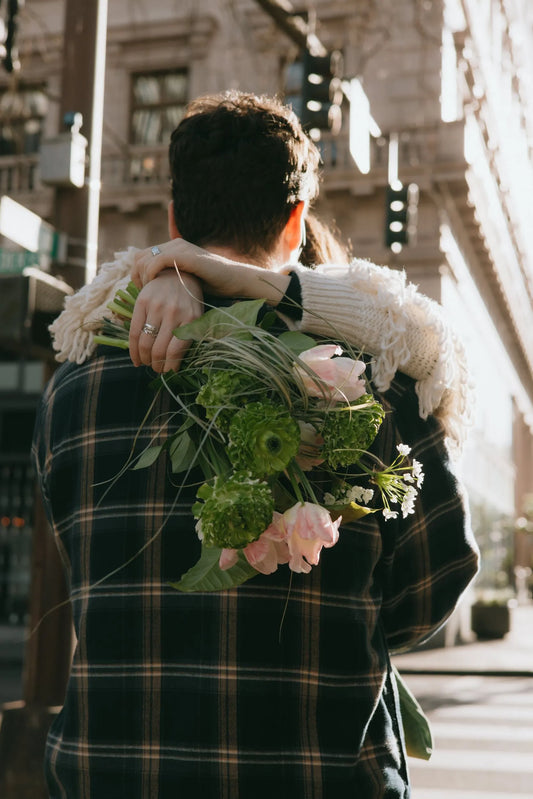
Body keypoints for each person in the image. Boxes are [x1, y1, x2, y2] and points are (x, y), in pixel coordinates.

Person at [34, 91, 478, 798]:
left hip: (115, 773)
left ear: (174, 219)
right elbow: (431, 586)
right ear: (297, 221)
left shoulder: (77, 385)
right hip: (316, 776)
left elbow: (79, 562)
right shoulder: (382, 374)